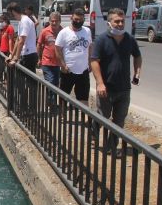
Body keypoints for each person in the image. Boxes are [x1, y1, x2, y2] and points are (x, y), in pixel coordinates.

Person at [90, 8, 142, 153]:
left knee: (119, 120)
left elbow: (137, 56)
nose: (120, 24)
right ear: (109, 22)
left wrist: (137, 73)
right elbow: (94, 61)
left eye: (122, 21)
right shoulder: (101, 40)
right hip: (106, 88)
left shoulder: (129, 39)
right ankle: (92, 137)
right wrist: (100, 83)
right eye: (116, 21)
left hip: (124, 88)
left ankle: (111, 146)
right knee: (102, 116)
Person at [54, 9, 92, 106]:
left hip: (83, 71)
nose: (78, 21)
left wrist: (90, 62)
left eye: (80, 20)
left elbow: (90, 47)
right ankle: (62, 117)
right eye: (76, 19)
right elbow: (57, 49)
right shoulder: (64, 32)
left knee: (83, 97)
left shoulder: (87, 31)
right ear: (71, 18)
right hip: (68, 71)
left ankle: (84, 119)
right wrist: (63, 65)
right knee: (63, 96)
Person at [6, 2, 38, 72]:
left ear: (13, 12)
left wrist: (16, 58)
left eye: (10, 13)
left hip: (29, 55)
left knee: (30, 81)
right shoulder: (21, 21)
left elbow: (21, 41)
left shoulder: (24, 21)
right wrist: (12, 55)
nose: (10, 16)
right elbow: (18, 40)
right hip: (26, 54)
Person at [37, 11, 62, 87]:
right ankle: (51, 99)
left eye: (56, 21)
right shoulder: (45, 31)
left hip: (57, 64)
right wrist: (39, 58)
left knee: (56, 85)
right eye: (52, 21)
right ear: (49, 21)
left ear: (60, 21)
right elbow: (39, 45)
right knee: (51, 84)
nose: (54, 23)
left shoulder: (63, 31)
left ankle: (51, 99)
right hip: (47, 63)